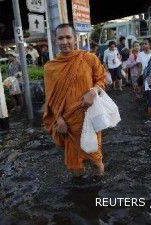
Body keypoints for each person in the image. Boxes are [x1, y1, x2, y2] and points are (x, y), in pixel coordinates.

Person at [43, 23, 106, 177]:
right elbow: (51, 98)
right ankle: (81, 197)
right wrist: (58, 119)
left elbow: (101, 80)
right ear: (55, 41)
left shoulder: (88, 58)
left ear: (75, 39)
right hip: (66, 122)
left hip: (89, 119)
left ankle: (100, 184)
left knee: (96, 160)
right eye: (60, 38)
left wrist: (94, 91)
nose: (65, 42)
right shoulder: (50, 67)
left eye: (68, 37)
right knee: (75, 167)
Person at [138, 38, 151, 116]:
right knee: (148, 97)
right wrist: (139, 79)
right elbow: (140, 67)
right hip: (145, 78)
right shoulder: (140, 54)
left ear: (150, 45)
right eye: (143, 44)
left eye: (145, 44)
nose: (143, 45)